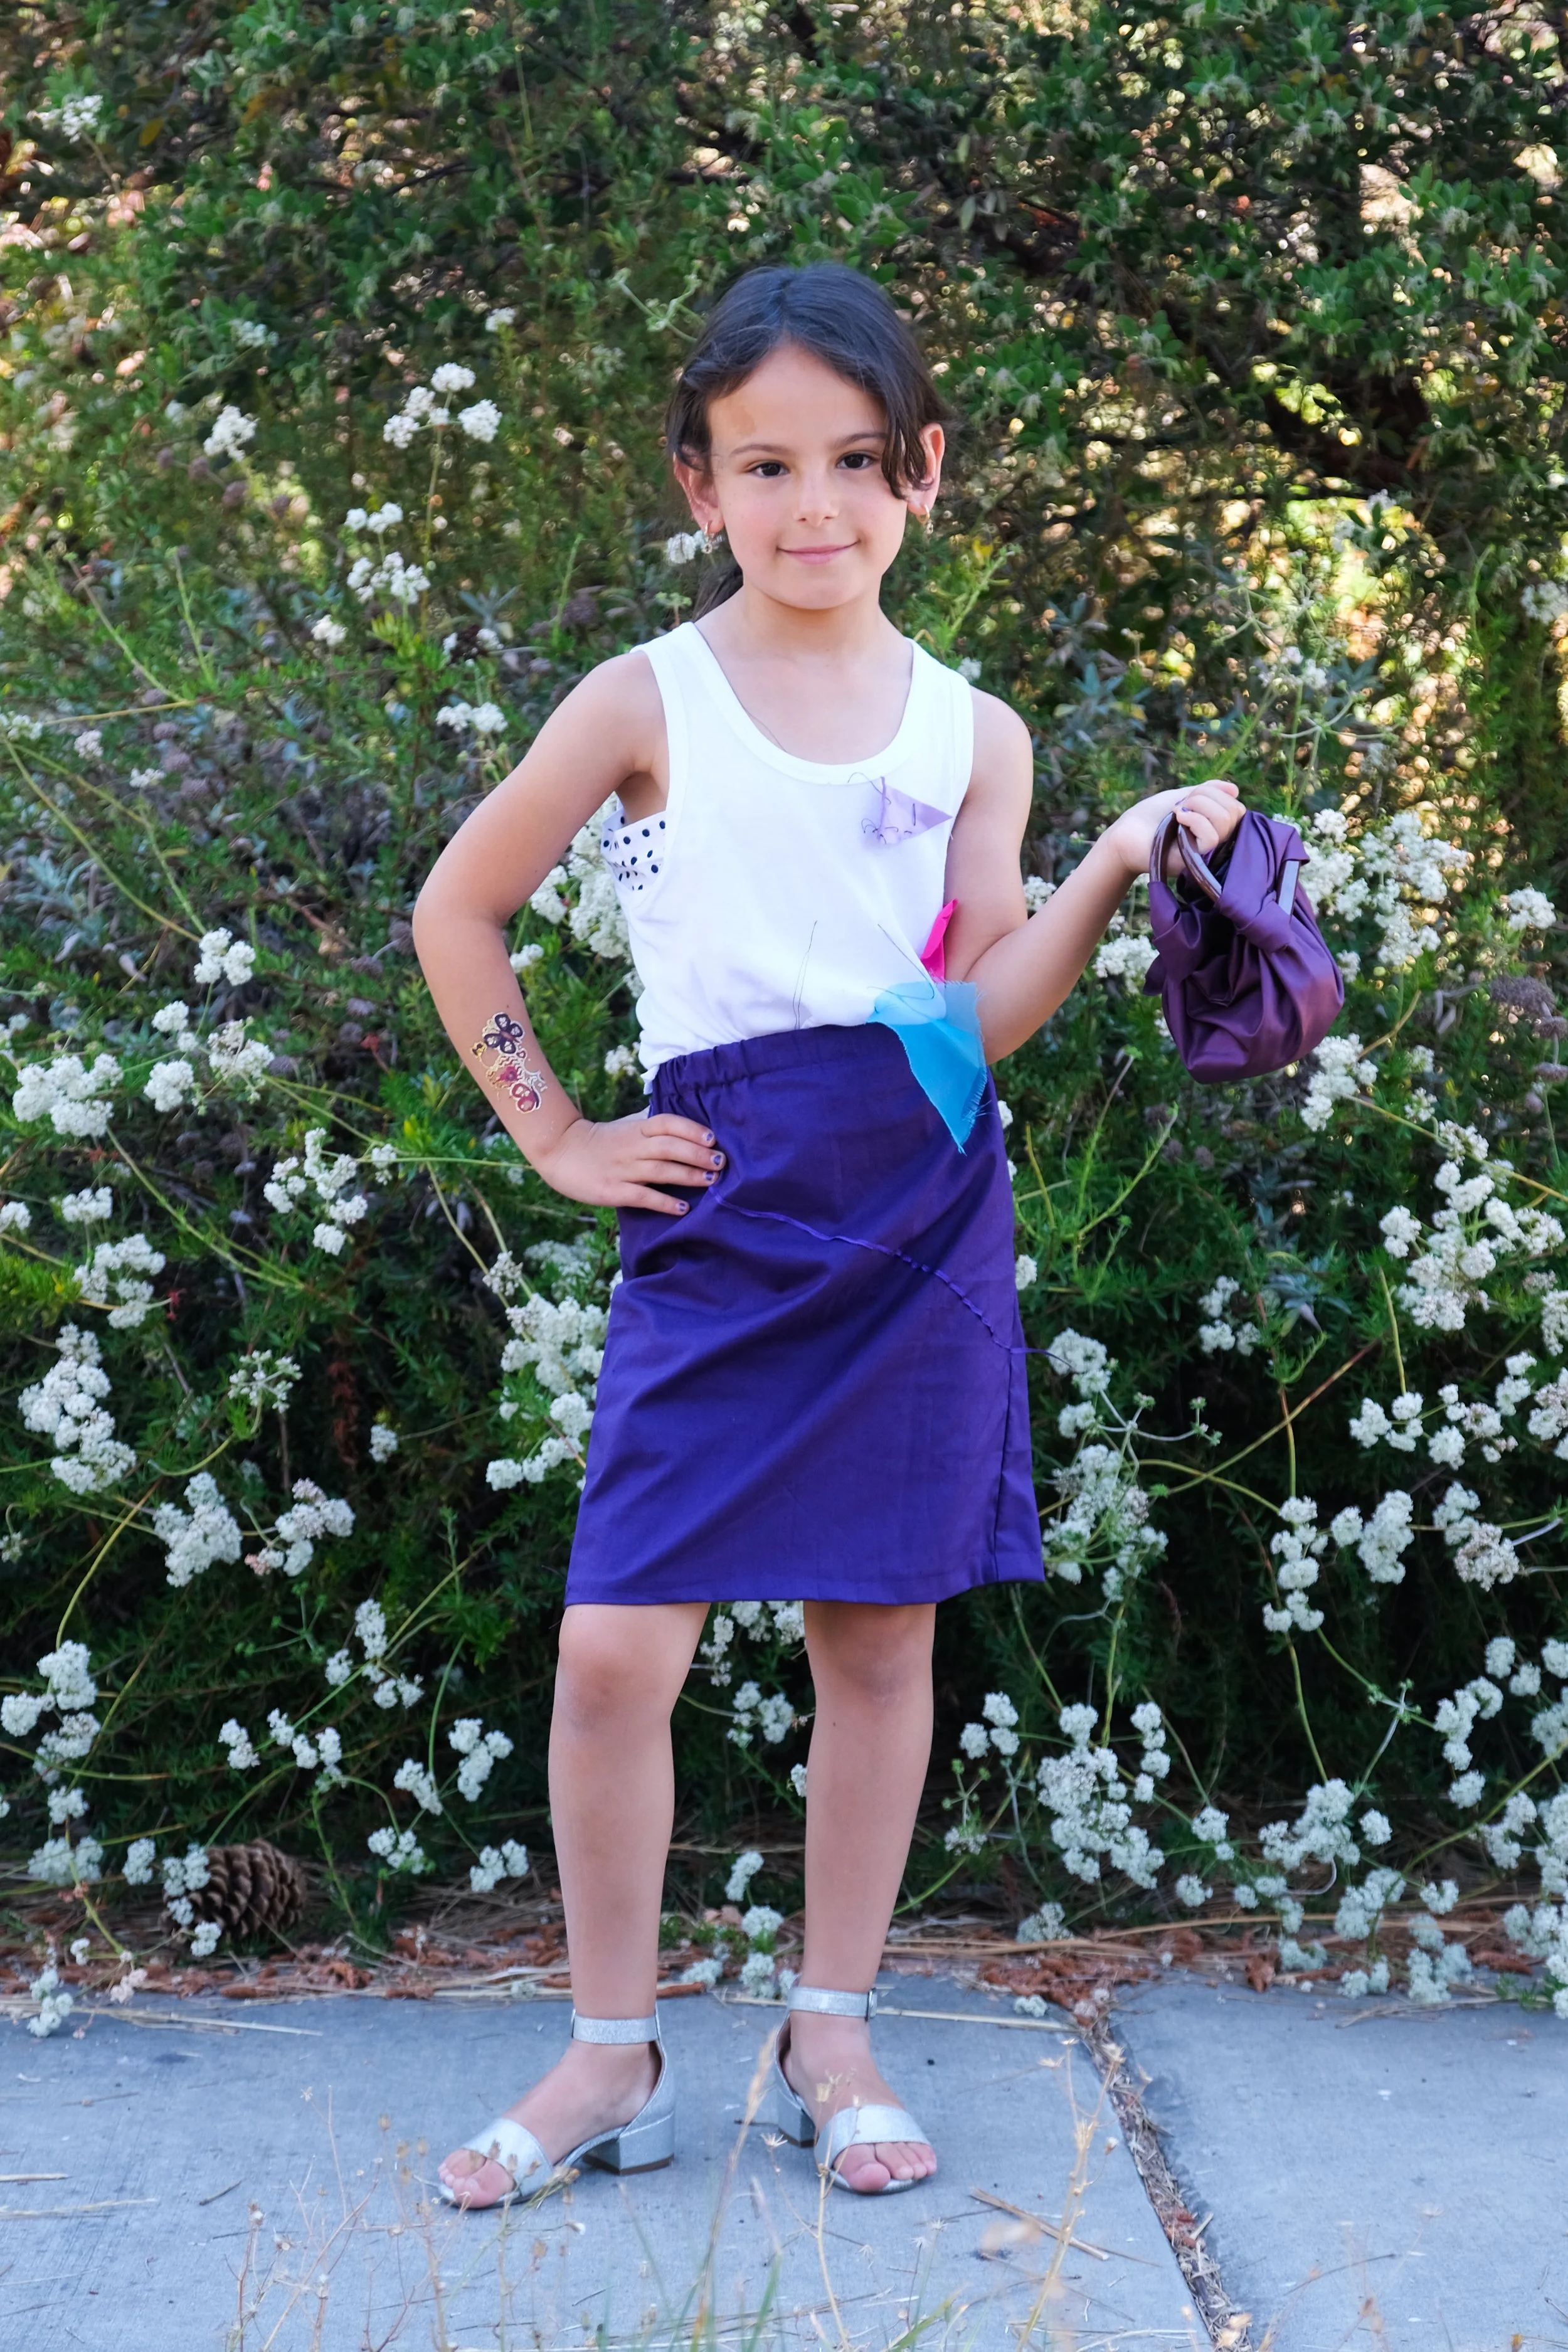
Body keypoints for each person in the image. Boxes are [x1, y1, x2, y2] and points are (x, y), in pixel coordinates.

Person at [412, 260, 1243, 2206]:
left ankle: (830, 2024)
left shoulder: (975, 729)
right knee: (619, 1648)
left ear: (922, 470)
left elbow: (973, 1006)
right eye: (764, 464)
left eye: (854, 461)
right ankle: (610, 2052)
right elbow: (462, 912)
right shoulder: (643, 697)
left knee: (875, 1638)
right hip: (721, 1203)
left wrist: (1121, 860)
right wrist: (554, 1133)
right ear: (696, 485)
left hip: (919, 1194)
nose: (814, 506)